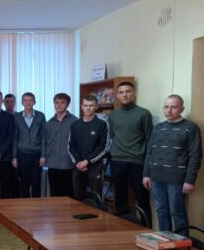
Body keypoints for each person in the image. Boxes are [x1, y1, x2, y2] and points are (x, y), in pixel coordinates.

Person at [143, 95, 202, 235]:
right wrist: (146, 174)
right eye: (166, 107)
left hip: (177, 179)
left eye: (174, 107)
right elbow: (150, 152)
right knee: (161, 210)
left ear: (182, 109)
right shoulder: (158, 128)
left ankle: (182, 242)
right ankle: (165, 240)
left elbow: (195, 155)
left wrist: (190, 180)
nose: (169, 110)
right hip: (156, 177)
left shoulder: (190, 128)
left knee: (177, 212)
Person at [108, 82, 153, 217]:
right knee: (120, 200)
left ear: (134, 94)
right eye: (121, 92)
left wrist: (147, 166)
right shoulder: (113, 115)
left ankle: (145, 227)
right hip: (117, 161)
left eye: (128, 91)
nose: (124, 95)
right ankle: (122, 227)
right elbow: (113, 136)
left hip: (137, 162)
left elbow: (149, 139)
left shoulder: (144, 113)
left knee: (142, 199)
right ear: (117, 95)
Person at [68, 95, 109, 201]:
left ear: (96, 107)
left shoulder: (102, 124)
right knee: (78, 197)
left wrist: (87, 161)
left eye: (91, 105)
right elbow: (71, 146)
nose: (88, 108)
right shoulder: (74, 125)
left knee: (96, 197)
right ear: (82, 107)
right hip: (78, 166)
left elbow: (103, 147)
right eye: (85, 105)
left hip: (95, 167)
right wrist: (78, 162)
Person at [12, 92, 46, 198]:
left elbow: (43, 137)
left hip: (37, 155)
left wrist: (43, 155)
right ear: (22, 102)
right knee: (24, 184)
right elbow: (15, 138)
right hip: (22, 155)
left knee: (36, 184)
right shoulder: (17, 117)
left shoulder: (40, 116)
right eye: (25, 100)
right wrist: (14, 157)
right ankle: (25, 207)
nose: (28, 103)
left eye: (30, 100)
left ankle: (36, 207)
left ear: (34, 102)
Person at [45, 93, 77, 197]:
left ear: (68, 105)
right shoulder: (49, 123)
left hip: (68, 163)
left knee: (67, 193)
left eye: (62, 102)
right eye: (57, 102)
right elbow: (46, 142)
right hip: (52, 163)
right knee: (54, 193)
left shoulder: (75, 121)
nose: (59, 105)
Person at [4, 93, 21, 198]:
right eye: (7, 101)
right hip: (5, 154)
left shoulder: (19, 116)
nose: (9, 104)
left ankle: (17, 201)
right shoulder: (2, 116)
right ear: (4, 103)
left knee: (18, 180)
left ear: (15, 103)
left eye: (12, 101)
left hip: (19, 152)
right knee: (6, 181)